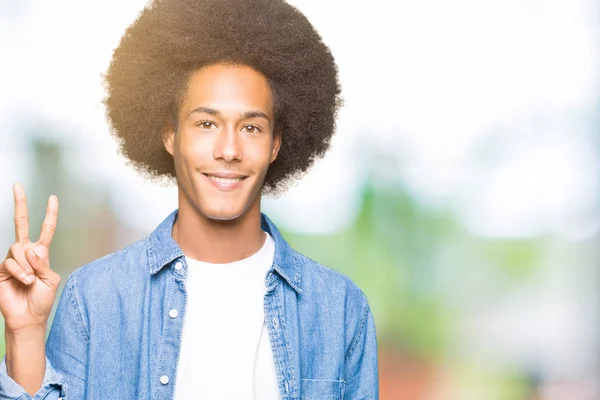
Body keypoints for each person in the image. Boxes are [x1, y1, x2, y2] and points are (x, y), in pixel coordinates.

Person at [0, 0, 379, 398]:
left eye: (251, 127)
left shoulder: (339, 310)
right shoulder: (96, 299)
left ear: (275, 144)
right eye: (206, 123)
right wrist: (24, 335)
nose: (229, 149)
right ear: (170, 135)